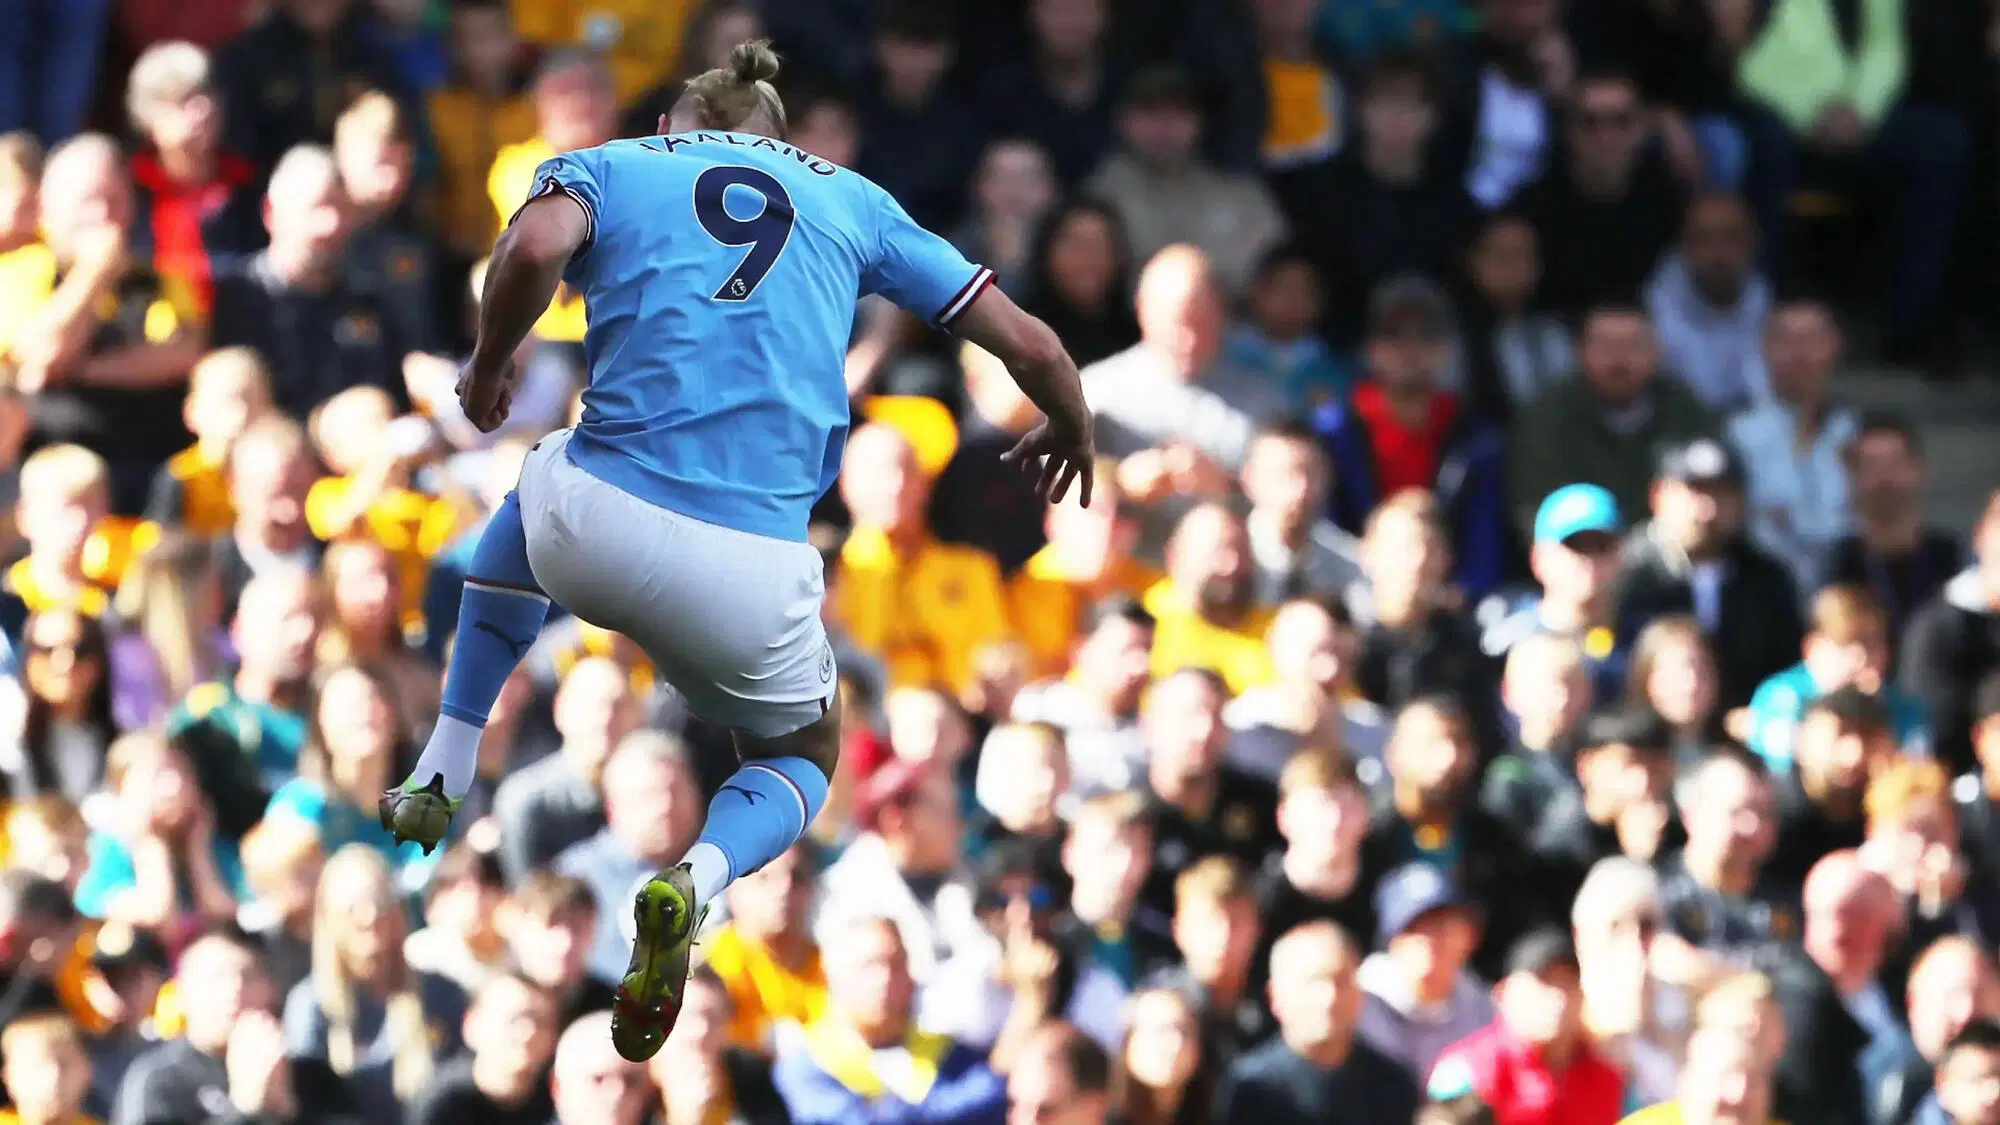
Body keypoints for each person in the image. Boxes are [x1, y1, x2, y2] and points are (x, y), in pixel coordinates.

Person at [376, 39, 1094, 1063]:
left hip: (602, 513)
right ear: (781, 143)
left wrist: (491, 364)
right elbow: (1030, 345)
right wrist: (1071, 425)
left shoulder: (617, 163)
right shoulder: (853, 200)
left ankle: (446, 756)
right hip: (754, 564)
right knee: (799, 756)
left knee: (530, 490)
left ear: (675, 128)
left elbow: (532, 249)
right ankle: (696, 882)